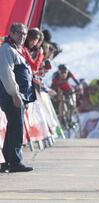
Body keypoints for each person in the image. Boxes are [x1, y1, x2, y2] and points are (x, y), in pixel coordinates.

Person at [0, 23, 36, 173]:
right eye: (20, 33)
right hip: (12, 96)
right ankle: (15, 162)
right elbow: (7, 74)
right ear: (12, 33)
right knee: (16, 128)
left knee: (14, 128)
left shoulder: (17, 50)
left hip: (19, 96)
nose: (23, 36)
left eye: (24, 34)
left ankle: (8, 161)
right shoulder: (7, 49)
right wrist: (15, 94)